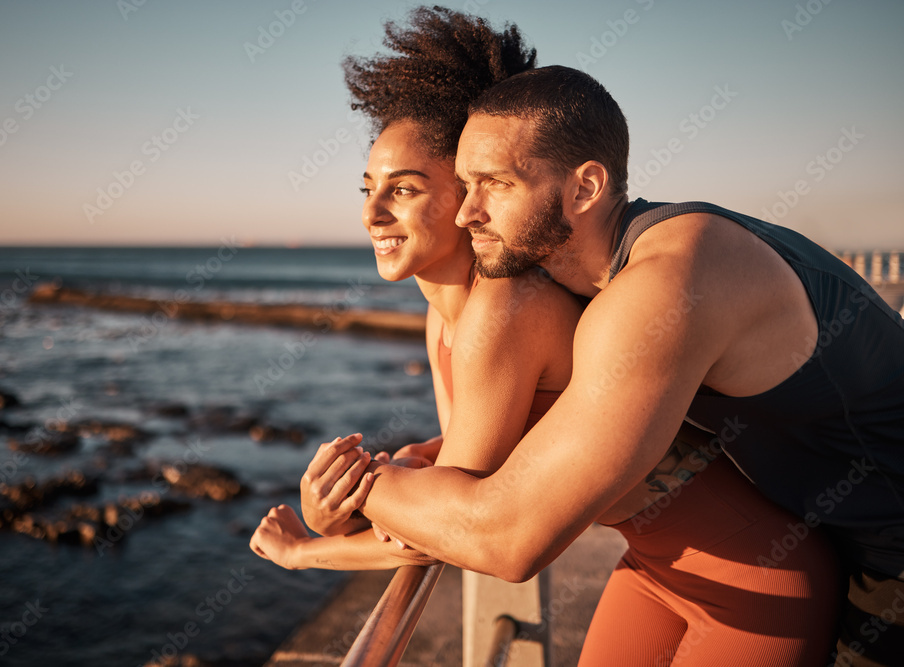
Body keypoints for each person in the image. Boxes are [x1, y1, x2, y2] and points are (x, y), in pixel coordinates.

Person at [251, 8, 840, 664]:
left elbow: (467, 530)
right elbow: (465, 482)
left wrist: (310, 544)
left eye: (406, 189)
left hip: (756, 586)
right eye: (367, 188)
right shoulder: (444, 318)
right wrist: (392, 479)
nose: (371, 212)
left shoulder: (504, 308)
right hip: (658, 566)